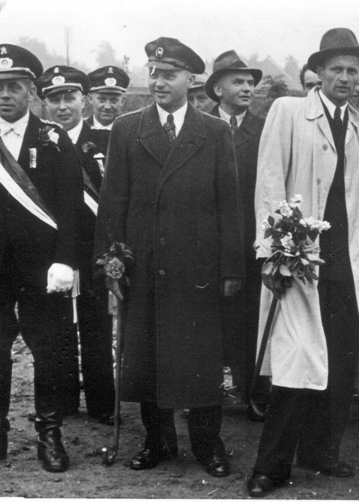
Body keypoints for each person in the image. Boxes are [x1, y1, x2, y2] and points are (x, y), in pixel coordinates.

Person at [93, 36, 245, 477]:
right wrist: (110, 262)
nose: (159, 82)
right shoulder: (128, 129)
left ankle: (207, 444)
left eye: (169, 74)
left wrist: (231, 268)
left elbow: (229, 204)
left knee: (200, 361)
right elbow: (113, 202)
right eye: (154, 73)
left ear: (190, 79)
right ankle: (156, 441)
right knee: (148, 359)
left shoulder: (213, 131)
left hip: (197, 269)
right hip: (145, 267)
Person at [246, 27, 359, 497]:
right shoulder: (289, 112)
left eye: (353, 71)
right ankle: (270, 466)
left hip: (349, 262)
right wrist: (273, 253)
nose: (345, 78)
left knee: (341, 359)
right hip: (300, 261)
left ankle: (321, 451)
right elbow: (269, 182)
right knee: (296, 363)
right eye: (336, 69)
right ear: (319, 72)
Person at [0, 44, 82, 473]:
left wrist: (66, 260)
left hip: (40, 266)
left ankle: (50, 435)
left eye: (14, 86)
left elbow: (70, 208)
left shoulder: (54, 138)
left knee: (48, 349)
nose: (5, 94)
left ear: (31, 90)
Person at [38, 65, 115, 425]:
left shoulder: (103, 143)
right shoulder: (37, 143)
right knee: (58, 328)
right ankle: (64, 400)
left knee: (96, 327)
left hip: (93, 250)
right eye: (54, 99)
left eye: (69, 97)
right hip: (53, 252)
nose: (62, 106)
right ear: (45, 103)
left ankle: (103, 403)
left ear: (84, 100)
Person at [205, 49, 269, 422]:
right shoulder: (197, 125)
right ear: (218, 88)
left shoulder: (264, 129)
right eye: (238, 81)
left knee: (249, 319)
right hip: (206, 242)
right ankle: (204, 394)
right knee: (207, 320)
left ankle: (251, 392)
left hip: (249, 241)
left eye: (250, 82)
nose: (247, 88)